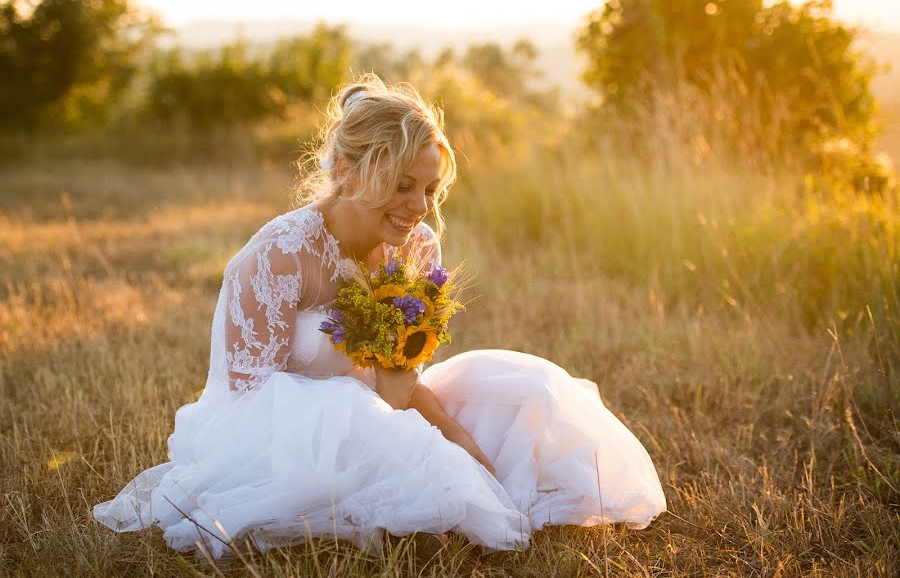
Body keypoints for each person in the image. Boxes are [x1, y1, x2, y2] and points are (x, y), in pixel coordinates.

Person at [93, 73, 666, 559]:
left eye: (429, 189)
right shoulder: (276, 256)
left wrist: (458, 439)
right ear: (346, 171)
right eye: (401, 186)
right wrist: (372, 419)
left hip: (384, 402)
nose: (419, 209)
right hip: (281, 434)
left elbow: (402, 381)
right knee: (375, 442)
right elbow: (249, 405)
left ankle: (442, 485)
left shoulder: (418, 250)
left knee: (526, 391)